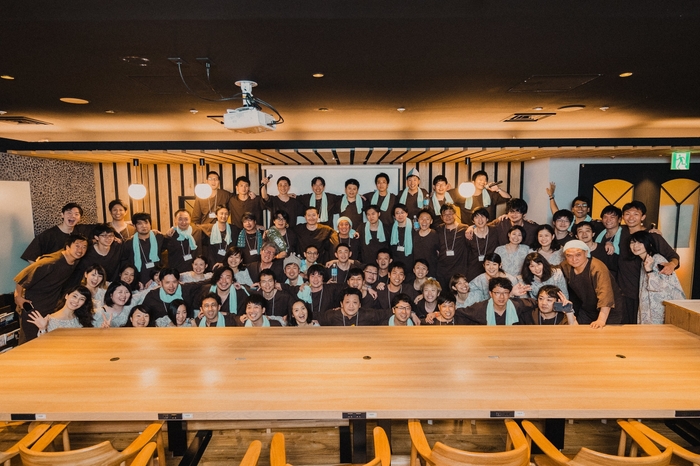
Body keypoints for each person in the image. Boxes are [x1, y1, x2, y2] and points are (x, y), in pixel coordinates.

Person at [14, 234, 89, 343]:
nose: (80, 250)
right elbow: (22, 277)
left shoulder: (74, 261)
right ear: (67, 247)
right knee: (30, 340)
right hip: (33, 306)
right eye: (77, 246)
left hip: (50, 305)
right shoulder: (51, 262)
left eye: (84, 247)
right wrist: (18, 297)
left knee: (47, 339)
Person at [616, 201, 680, 324]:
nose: (631, 217)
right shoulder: (622, 231)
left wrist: (671, 264)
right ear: (623, 217)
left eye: (636, 214)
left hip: (646, 292)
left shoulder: (652, 236)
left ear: (643, 217)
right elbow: (603, 222)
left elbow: (673, 256)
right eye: (627, 214)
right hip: (625, 291)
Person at [559, 240, 621, 328]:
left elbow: (605, 295)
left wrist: (601, 320)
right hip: (587, 309)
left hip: (608, 311)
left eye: (578, 255)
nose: (574, 259)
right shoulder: (566, 265)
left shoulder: (597, 268)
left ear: (586, 253)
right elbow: (552, 272)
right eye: (569, 255)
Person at [629, 230, 685, 324]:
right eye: (632, 242)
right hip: (650, 309)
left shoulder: (658, 260)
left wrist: (649, 271)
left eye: (640, 242)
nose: (635, 246)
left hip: (660, 310)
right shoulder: (645, 261)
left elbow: (659, 287)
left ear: (648, 244)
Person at [21, 202, 89, 262]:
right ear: (62, 215)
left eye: (76, 214)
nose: (73, 216)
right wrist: (41, 271)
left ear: (80, 218)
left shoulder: (81, 232)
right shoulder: (49, 234)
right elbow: (30, 255)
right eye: (69, 213)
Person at [456, 277, 536, 325]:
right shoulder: (480, 308)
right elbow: (459, 313)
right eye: (497, 293)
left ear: (509, 294)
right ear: (490, 293)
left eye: (505, 293)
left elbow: (536, 303)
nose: (501, 297)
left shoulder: (517, 305)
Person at [67, 223, 122, 288]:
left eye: (111, 235)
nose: (108, 238)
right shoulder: (88, 252)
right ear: (96, 237)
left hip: (110, 286)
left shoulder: (117, 247)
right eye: (104, 235)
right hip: (89, 286)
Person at [27, 285, 94, 335]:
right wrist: (43, 329)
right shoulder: (50, 319)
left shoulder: (82, 318)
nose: (76, 301)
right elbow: (43, 344)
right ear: (66, 296)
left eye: (82, 299)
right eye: (74, 296)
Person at [121, 212, 166, 287]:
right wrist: (135, 281)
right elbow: (125, 263)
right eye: (139, 223)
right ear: (134, 226)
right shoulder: (129, 243)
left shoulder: (159, 238)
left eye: (146, 222)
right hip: (138, 282)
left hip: (157, 280)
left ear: (150, 224)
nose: (144, 226)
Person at [435, 204, 468, 290]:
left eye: (450, 213)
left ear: (455, 215)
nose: (447, 217)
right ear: (441, 217)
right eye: (445, 214)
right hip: (442, 271)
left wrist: (472, 227)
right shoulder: (439, 229)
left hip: (459, 271)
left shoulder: (465, 229)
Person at [319, 288, 384, 326]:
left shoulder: (368, 314)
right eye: (347, 302)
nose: (351, 306)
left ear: (359, 305)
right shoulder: (331, 315)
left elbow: (386, 314)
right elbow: (317, 318)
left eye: (355, 302)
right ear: (341, 304)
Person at [465, 207, 497, 281]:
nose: (480, 220)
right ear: (473, 220)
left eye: (482, 216)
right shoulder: (469, 235)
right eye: (476, 217)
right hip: (474, 269)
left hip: (491, 269)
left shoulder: (494, 230)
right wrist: (471, 227)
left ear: (487, 219)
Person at [412, 208, 439, 279]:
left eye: (427, 219)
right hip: (417, 273)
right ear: (418, 220)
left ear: (431, 221)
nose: (424, 221)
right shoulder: (414, 235)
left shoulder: (435, 234)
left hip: (432, 273)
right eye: (421, 219)